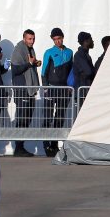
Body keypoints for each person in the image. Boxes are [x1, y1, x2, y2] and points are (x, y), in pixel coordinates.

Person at [41, 28, 73, 157]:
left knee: (60, 117)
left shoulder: (70, 52)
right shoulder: (49, 52)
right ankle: (45, 145)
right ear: (52, 40)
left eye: (59, 38)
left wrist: (70, 88)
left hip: (64, 90)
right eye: (55, 39)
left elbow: (72, 72)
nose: (57, 41)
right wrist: (46, 88)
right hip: (52, 89)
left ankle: (54, 145)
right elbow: (43, 72)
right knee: (47, 117)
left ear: (63, 37)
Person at [10, 29, 41, 157]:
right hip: (22, 90)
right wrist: (29, 64)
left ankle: (20, 147)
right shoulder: (18, 50)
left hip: (30, 91)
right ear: (24, 38)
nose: (32, 41)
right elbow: (15, 69)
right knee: (22, 119)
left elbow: (29, 65)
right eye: (29, 39)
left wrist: (34, 64)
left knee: (27, 119)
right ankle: (18, 148)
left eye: (33, 39)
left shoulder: (30, 49)